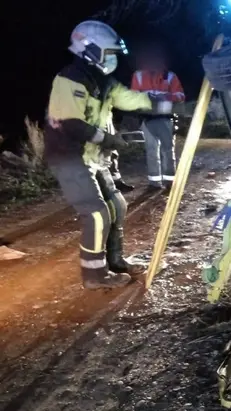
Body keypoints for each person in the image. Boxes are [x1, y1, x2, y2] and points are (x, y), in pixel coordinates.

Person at [44, 20, 173, 290]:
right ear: (90, 50)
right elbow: (71, 124)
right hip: (69, 158)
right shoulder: (69, 79)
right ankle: (94, 274)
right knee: (96, 214)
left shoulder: (103, 81)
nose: (113, 59)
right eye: (110, 53)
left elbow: (130, 99)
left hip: (93, 156)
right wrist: (108, 139)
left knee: (117, 205)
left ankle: (115, 261)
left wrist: (162, 104)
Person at [131, 44, 185, 190]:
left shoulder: (170, 76)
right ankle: (154, 183)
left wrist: (165, 97)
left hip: (166, 118)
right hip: (146, 118)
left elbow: (180, 96)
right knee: (151, 150)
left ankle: (170, 181)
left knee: (167, 150)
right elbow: (133, 96)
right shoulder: (138, 75)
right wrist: (148, 98)